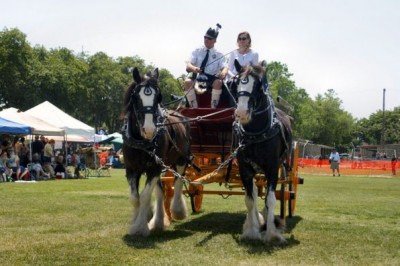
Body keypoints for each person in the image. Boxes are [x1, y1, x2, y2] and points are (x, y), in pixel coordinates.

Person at [184, 23, 228, 108]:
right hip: (197, 76)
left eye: (209, 38)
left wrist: (223, 73)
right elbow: (188, 65)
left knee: (218, 82)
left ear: (214, 41)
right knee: (187, 82)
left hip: (211, 79)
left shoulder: (219, 54)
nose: (206, 39)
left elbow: (225, 67)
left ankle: (213, 107)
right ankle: (193, 107)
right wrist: (194, 68)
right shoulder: (197, 50)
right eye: (205, 37)